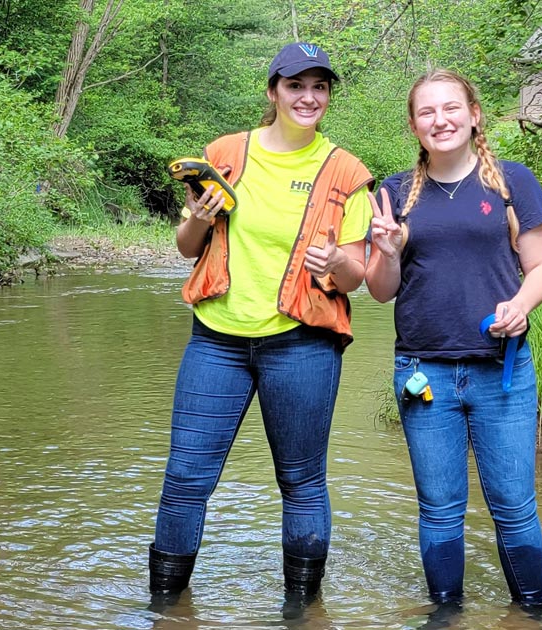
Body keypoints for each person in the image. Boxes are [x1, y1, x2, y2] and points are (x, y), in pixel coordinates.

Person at [149, 42, 374, 606]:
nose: (308, 96)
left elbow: (356, 277)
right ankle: (163, 609)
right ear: (273, 91)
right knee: (184, 481)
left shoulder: (347, 171)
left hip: (302, 346)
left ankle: (301, 611)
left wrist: (338, 264)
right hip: (216, 342)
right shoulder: (225, 152)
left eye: (319, 86)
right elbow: (185, 247)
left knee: (301, 484)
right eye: (296, 85)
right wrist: (199, 219)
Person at [365, 69, 542, 613]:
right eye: (427, 112)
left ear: (474, 115)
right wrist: (386, 249)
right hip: (422, 372)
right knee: (440, 509)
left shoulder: (512, 182)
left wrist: (520, 306)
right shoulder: (394, 192)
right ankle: (445, 614)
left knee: (515, 506)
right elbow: (381, 292)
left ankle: (532, 613)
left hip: (504, 370)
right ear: (414, 125)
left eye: (451, 108)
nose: (440, 120)